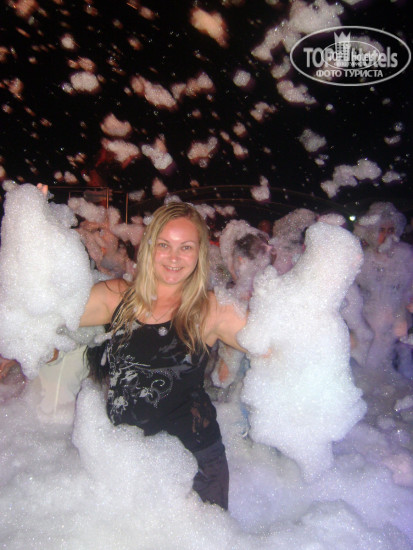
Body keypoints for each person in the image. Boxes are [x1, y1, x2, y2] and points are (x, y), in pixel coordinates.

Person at [79, 200, 248, 510]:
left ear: (199, 253)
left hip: (193, 466)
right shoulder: (115, 298)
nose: (173, 257)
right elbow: (45, 313)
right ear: (149, 247)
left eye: (186, 247)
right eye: (164, 245)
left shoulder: (213, 310)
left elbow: (283, 347)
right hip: (124, 460)